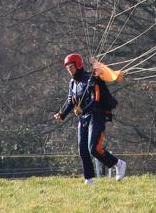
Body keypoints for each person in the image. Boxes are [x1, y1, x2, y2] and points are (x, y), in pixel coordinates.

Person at [53, 52, 127, 185]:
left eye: (71, 66)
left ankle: (118, 164)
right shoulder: (72, 83)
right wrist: (62, 114)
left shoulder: (90, 79)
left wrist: (83, 110)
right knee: (82, 149)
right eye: (67, 68)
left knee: (93, 148)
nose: (69, 70)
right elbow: (70, 101)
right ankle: (89, 179)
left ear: (78, 65)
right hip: (84, 117)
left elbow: (95, 99)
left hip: (96, 115)